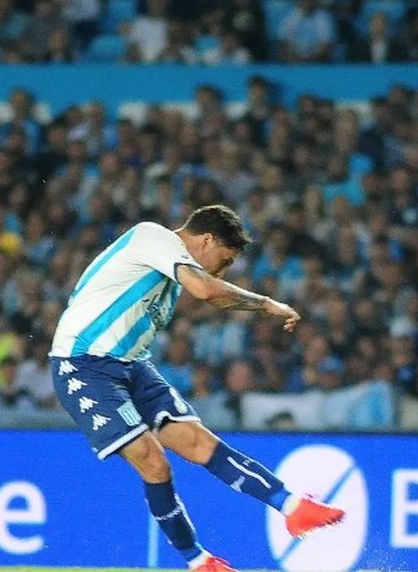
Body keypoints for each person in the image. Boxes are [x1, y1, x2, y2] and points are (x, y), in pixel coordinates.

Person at [48, 205, 345, 572]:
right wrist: (267, 304)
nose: (223, 270)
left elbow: (207, 290)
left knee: (199, 442)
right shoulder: (152, 235)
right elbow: (207, 291)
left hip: (132, 364)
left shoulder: (170, 275)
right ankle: (198, 561)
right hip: (83, 364)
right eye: (225, 260)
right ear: (206, 240)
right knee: (154, 461)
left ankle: (294, 507)